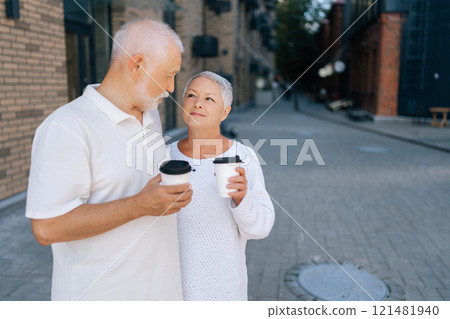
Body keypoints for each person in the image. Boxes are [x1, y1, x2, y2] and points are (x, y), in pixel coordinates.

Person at [25, 19, 193, 301]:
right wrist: (140, 205)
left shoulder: (150, 114)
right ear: (136, 66)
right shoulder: (66, 127)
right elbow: (46, 228)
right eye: (167, 75)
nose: (171, 87)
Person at [168, 71, 275, 300]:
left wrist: (242, 199)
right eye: (191, 95)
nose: (197, 103)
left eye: (209, 99)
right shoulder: (164, 157)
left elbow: (261, 228)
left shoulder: (242, 157)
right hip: (173, 289)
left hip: (223, 290)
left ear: (225, 112)